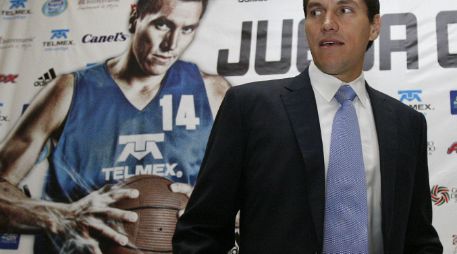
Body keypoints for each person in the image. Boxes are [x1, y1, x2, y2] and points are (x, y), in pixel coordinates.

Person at [172, 0, 443, 253]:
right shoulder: (249, 108)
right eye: (315, 12)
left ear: (374, 26)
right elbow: (200, 231)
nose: (327, 22)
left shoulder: (407, 124)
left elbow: (419, 238)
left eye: (344, 10)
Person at [0, 0, 229, 253]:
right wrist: (62, 216)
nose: (171, 44)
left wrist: (216, 208)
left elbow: (261, 199)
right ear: (135, 16)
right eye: (162, 24)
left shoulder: (212, 94)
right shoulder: (69, 91)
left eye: (187, 29)